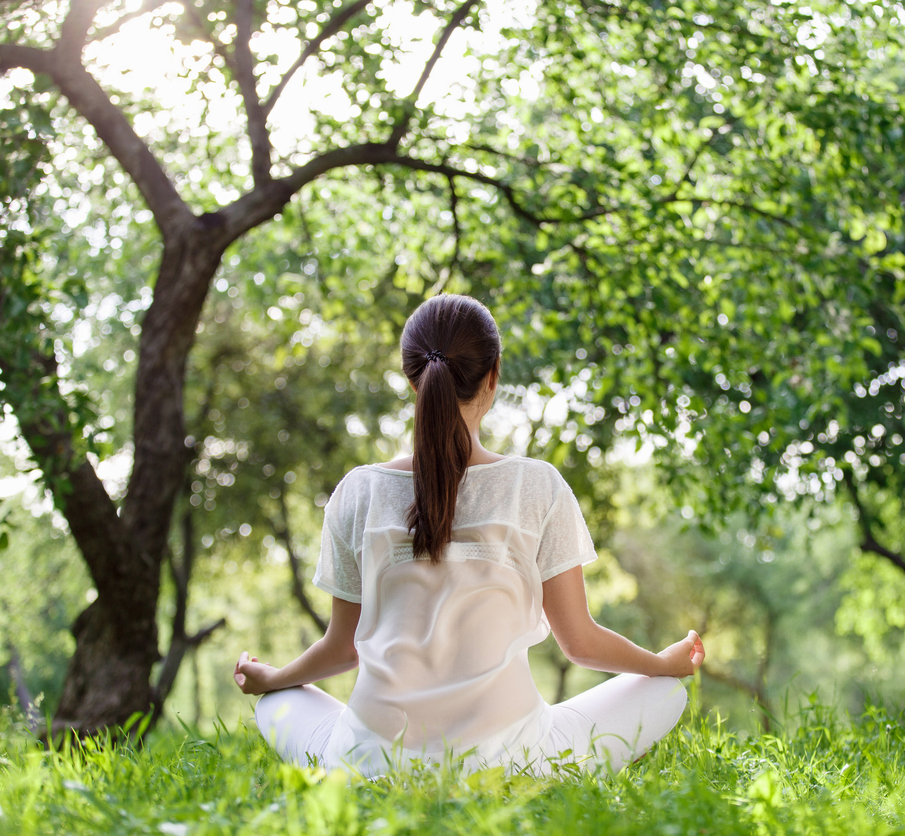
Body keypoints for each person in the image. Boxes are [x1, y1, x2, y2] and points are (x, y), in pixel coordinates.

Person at [233, 294, 704, 777]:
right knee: (663, 691)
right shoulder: (537, 484)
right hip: (518, 762)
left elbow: (343, 648)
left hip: (369, 763)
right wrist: (661, 665)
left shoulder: (358, 491)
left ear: (410, 378)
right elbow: (580, 644)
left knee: (278, 703)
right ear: (494, 373)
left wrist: (273, 678)